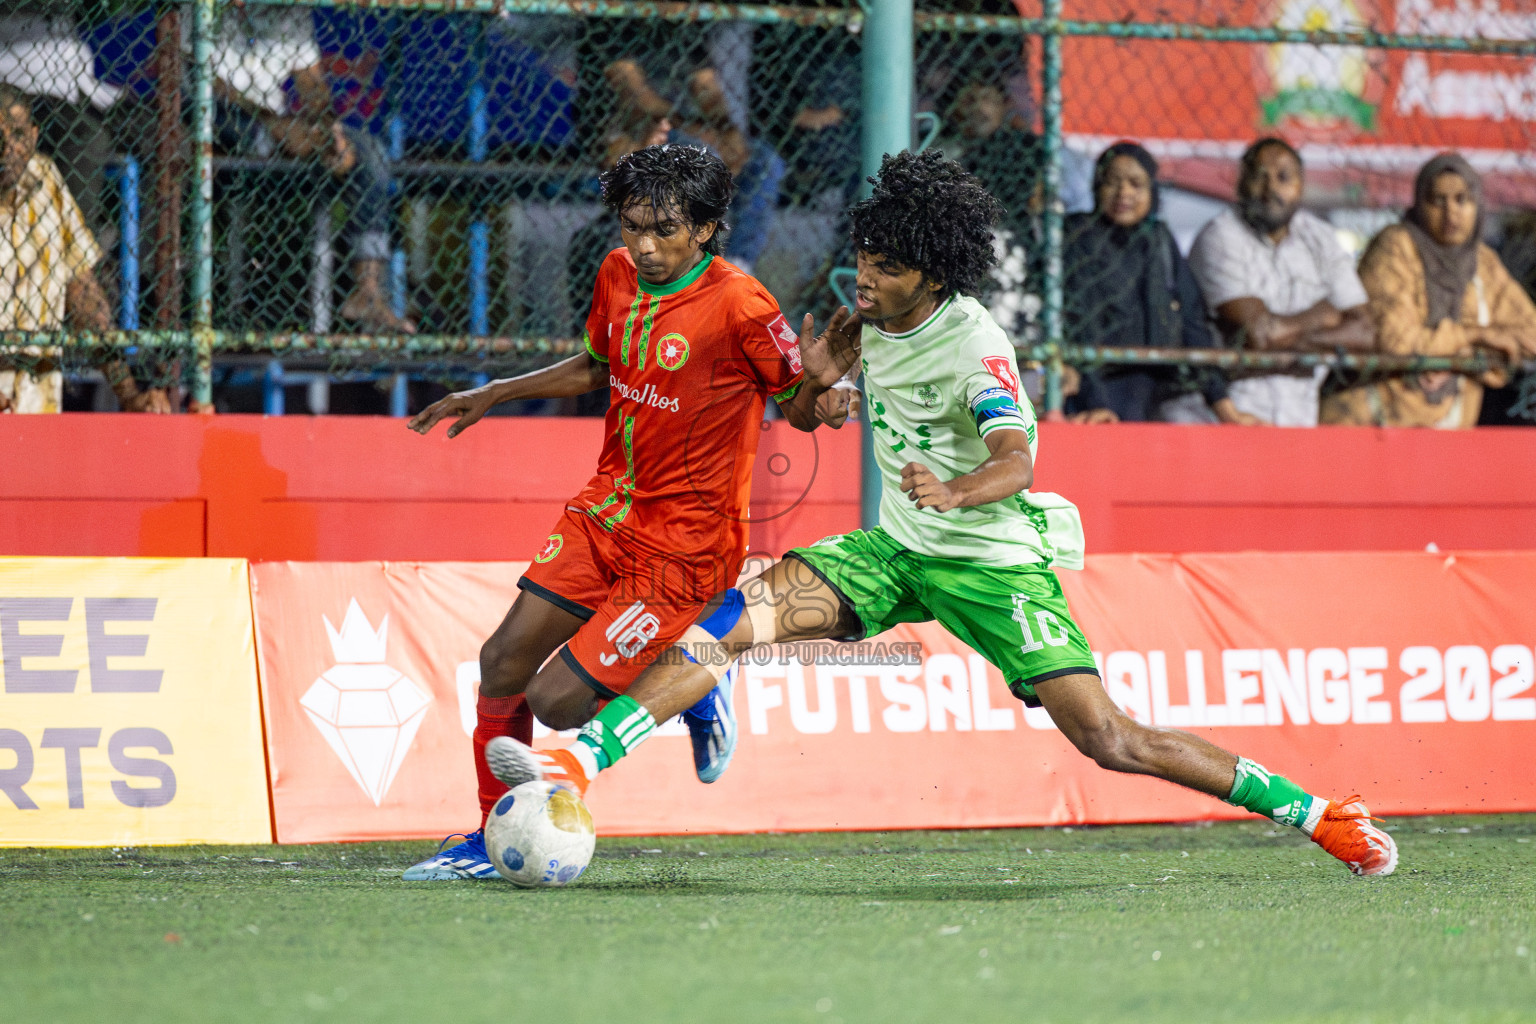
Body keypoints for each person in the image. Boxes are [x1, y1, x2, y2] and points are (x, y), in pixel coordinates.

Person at [486, 150, 1399, 879]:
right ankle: (576, 767)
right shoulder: (867, 321)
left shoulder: (975, 346)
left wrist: (956, 491)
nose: (865, 280)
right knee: (730, 623)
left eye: (885, 269)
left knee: (1111, 739)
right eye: (863, 262)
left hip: (990, 562)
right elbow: (807, 409)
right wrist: (821, 379)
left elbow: (1017, 459)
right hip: (896, 551)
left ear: (932, 272)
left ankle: (1317, 814)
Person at [399, 144, 858, 879]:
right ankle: (486, 841)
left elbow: (799, 408)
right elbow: (598, 364)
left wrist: (824, 389)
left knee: (555, 703)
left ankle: (699, 675)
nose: (644, 245)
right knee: (500, 661)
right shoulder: (617, 272)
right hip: (608, 509)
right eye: (632, 226)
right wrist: (496, 391)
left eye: (665, 229)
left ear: (705, 229)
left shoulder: (743, 303)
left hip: (685, 547)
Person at [1321, 154, 1536, 428]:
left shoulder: (1483, 263)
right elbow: (1396, 342)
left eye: (1462, 200)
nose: (1451, 213)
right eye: (1437, 200)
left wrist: (1460, 354)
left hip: (1448, 433)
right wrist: (1476, 336)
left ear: (1477, 205)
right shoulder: (1395, 247)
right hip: (1369, 423)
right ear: (1420, 204)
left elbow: (1530, 335)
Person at [1064, 142, 1261, 425]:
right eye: (1112, 182)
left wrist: (1223, 405)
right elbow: (1078, 325)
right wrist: (1095, 403)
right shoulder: (1080, 237)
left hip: (1160, 384)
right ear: (1097, 187)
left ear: (1152, 190)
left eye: (1136, 183)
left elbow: (1192, 323)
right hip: (1097, 384)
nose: (1124, 193)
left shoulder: (1159, 239)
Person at [1188, 137, 1374, 427]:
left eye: (1283, 177)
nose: (1270, 189)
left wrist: (1293, 339)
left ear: (1300, 186)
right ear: (1239, 185)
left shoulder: (1321, 238)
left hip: (1300, 416)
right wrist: (1323, 316)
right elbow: (1260, 333)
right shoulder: (1220, 236)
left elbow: (1364, 332)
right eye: (1258, 177)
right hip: (1230, 415)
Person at [0, 85, 164, 413]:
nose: (6, 148)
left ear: (33, 137)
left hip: (36, 409)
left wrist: (129, 393)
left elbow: (83, 291)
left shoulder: (45, 180)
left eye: (16, 134)